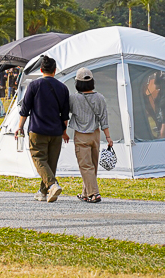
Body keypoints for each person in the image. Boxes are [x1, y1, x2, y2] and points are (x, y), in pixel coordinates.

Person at [16, 55, 69, 202]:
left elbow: (25, 110)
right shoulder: (63, 88)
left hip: (37, 130)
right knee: (51, 162)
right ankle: (42, 192)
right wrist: (64, 132)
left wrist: (19, 127)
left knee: (39, 158)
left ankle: (52, 185)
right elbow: (65, 114)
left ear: (41, 70)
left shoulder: (33, 86)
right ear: (55, 70)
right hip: (56, 131)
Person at [67, 67, 112, 203]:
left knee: (85, 166)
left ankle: (94, 194)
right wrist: (108, 137)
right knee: (93, 165)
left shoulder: (73, 98)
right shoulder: (100, 98)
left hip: (81, 135)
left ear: (77, 83)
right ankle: (85, 193)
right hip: (96, 134)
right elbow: (104, 119)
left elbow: (66, 113)